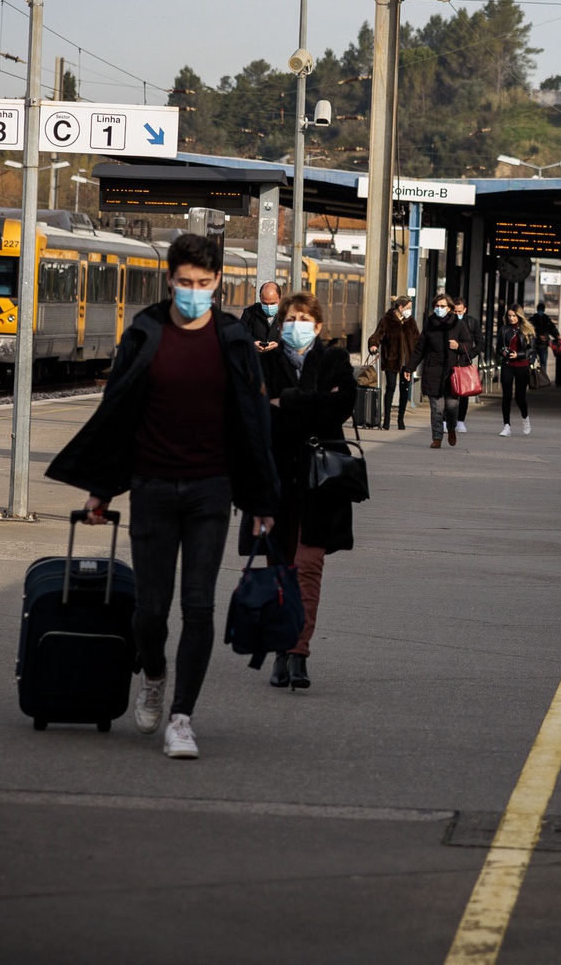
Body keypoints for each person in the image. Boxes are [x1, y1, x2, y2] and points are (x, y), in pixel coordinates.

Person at [46, 232, 280, 759]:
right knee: (151, 611)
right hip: (152, 486)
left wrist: (263, 501)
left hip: (210, 490)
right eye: (184, 283)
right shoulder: (146, 332)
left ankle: (182, 716)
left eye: (203, 283)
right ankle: (153, 674)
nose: (193, 291)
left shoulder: (233, 339)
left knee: (198, 606)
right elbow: (116, 414)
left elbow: (253, 421)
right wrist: (100, 491)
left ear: (218, 282)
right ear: (169, 280)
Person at [254, 290, 358, 691]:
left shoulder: (334, 360)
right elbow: (259, 413)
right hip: (276, 484)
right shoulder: (263, 363)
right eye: (290, 319)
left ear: (318, 326)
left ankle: (299, 653)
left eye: (304, 319)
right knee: (280, 572)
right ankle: (281, 651)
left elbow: (342, 406)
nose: (296, 326)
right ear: (282, 326)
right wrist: (314, 404)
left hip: (320, 484)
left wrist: (288, 402)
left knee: (309, 568)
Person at [418, 292, 472, 449]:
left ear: (449, 308)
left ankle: (451, 428)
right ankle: (436, 437)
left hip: (452, 374)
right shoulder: (430, 324)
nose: (439, 309)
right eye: (437, 306)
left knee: (451, 407)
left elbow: (469, 344)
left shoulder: (458, 324)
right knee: (436, 409)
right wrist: (410, 367)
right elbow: (420, 348)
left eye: (442, 306)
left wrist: (459, 346)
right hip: (433, 371)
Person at [366, 295, 420, 430]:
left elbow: (417, 339)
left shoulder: (410, 322)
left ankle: (401, 419)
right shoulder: (387, 320)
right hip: (391, 360)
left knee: (404, 389)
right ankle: (387, 419)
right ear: (400, 308)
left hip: (407, 362)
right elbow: (377, 335)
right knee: (390, 388)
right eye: (408, 308)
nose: (410, 311)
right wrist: (373, 345)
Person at [497, 303, 535, 436]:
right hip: (507, 365)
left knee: (520, 397)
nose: (511, 318)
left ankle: (525, 418)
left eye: (514, 316)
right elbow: (498, 347)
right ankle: (506, 425)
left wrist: (518, 355)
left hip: (522, 366)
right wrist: (503, 352)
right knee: (506, 396)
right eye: (509, 316)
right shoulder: (504, 329)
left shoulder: (527, 330)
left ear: (519, 316)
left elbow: (531, 350)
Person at [452, 298, 476, 434]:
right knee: (449, 392)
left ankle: (460, 420)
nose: (457, 314)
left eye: (459, 311)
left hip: (464, 362)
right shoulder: (448, 323)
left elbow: (478, 341)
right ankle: (446, 420)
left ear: (465, 310)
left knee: (464, 393)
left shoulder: (471, 323)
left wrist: (470, 354)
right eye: (454, 311)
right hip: (450, 362)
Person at [242, 281, 283, 355]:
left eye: (273, 303)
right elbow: (240, 336)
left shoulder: (287, 315)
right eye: (265, 303)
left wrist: (278, 346)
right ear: (260, 298)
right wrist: (252, 344)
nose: (268, 307)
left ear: (279, 298)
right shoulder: (250, 313)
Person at [530, 301, 560, 375]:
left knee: (542, 362)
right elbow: (529, 330)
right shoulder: (533, 319)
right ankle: (531, 375)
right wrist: (538, 336)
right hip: (534, 344)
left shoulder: (546, 320)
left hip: (543, 344)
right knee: (532, 361)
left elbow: (552, 329)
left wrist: (557, 336)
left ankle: (542, 376)